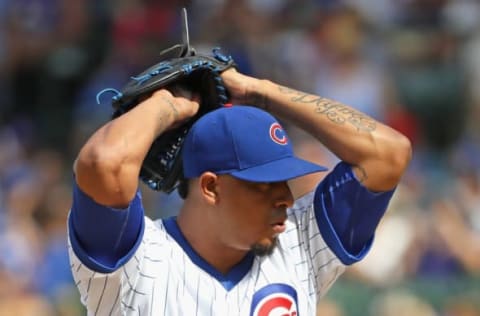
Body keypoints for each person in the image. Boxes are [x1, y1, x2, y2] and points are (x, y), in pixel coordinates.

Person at [68, 66, 412, 315]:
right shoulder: (138, 262)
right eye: (264, 185)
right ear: (210, 187)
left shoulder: (299, 244)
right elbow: (102, 163)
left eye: (285, 181)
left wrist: (262, 91)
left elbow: (388, 154)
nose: (286, 198)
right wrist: (165, 106)